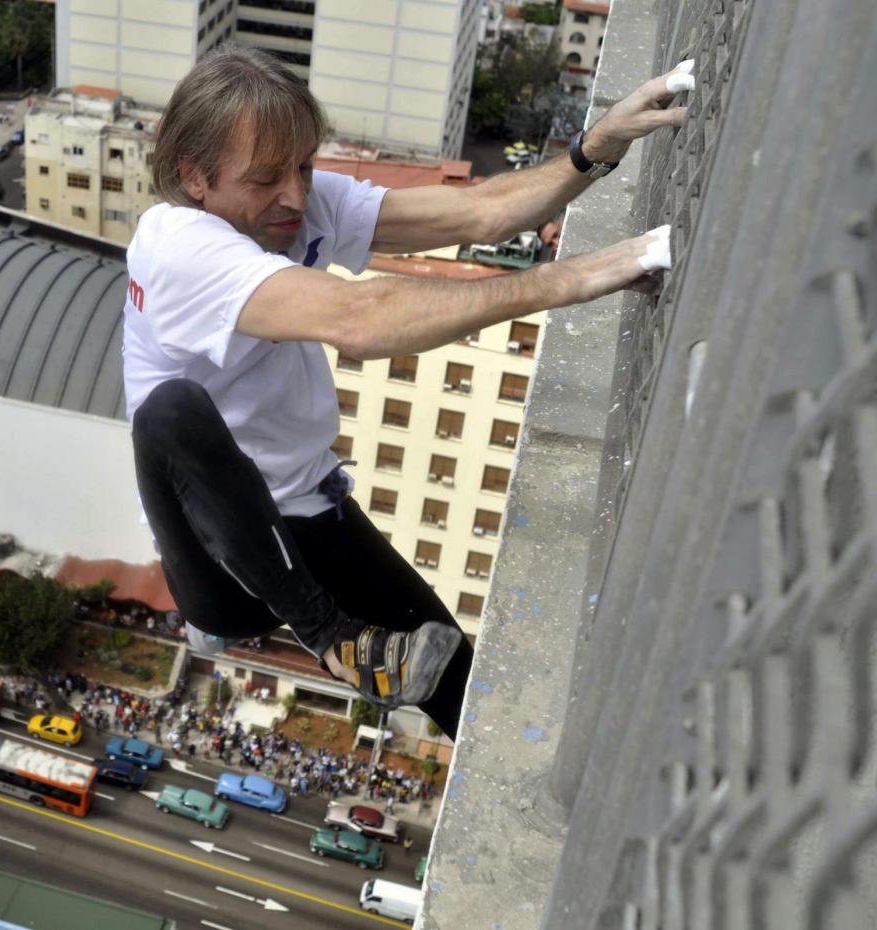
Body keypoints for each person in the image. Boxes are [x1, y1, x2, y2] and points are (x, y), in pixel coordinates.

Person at [123, 48, 691, 740]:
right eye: (268, 178)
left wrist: (592, 148)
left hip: (312, 515)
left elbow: (475, 214)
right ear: (194, 178)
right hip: (225, 559)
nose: (296, 196)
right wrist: (563, 283)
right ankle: (334, 640)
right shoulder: (178, 246)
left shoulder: (291, 208)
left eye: (303, 167)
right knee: (170, 412)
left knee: (459, 682)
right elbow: (360, 320)